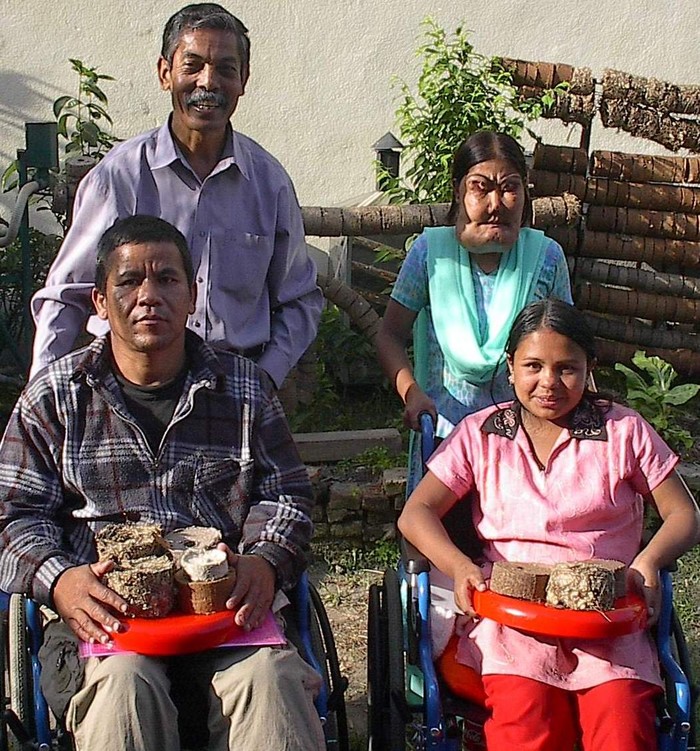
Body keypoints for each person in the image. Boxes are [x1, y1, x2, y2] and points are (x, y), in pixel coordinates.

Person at [0, 215, 325, 751]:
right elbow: (14, 515)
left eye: (167, 279)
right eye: (129, 281)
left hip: (226, 615)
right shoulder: (53, 399)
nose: (148, 296)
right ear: (100, 302)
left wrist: (265, 561)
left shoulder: (245, 390)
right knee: (124, 690)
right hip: (109, 626)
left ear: (192, 295)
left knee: (268, 683)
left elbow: (286, 495)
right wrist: (60, 581)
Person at [397, 298, 700, 750]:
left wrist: (650, 561)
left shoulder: (624, 431)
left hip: (607, 624)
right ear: (511, 367)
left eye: (567, 368)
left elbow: (685, 514)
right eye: (533, 366)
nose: (549, 383)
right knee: (526, 727)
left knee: (622, 727)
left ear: (589, 367)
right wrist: (459, 567)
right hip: (514, 627)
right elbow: (415, 513)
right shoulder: (481, 434)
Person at [30, 3, 323, 392]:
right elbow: (66, 295)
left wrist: (264, 377)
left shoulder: (269, 183)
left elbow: (299, 299)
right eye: (193, 65)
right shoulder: (119, 177)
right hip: (131, 387)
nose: (208, 82)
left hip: (236, 386)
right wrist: (41, 394)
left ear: (244, 79)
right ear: (165, 73)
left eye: (225, 69)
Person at [375, 131, 572, 491]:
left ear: (525, 192)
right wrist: (412, 393)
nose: (496, 203)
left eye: (509, 188)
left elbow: (567, 348)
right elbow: (390, 335)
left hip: (524, 443)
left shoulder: (546, 257)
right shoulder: (430, 254)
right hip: (445, 443)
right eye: (480, 188)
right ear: (458, 191)